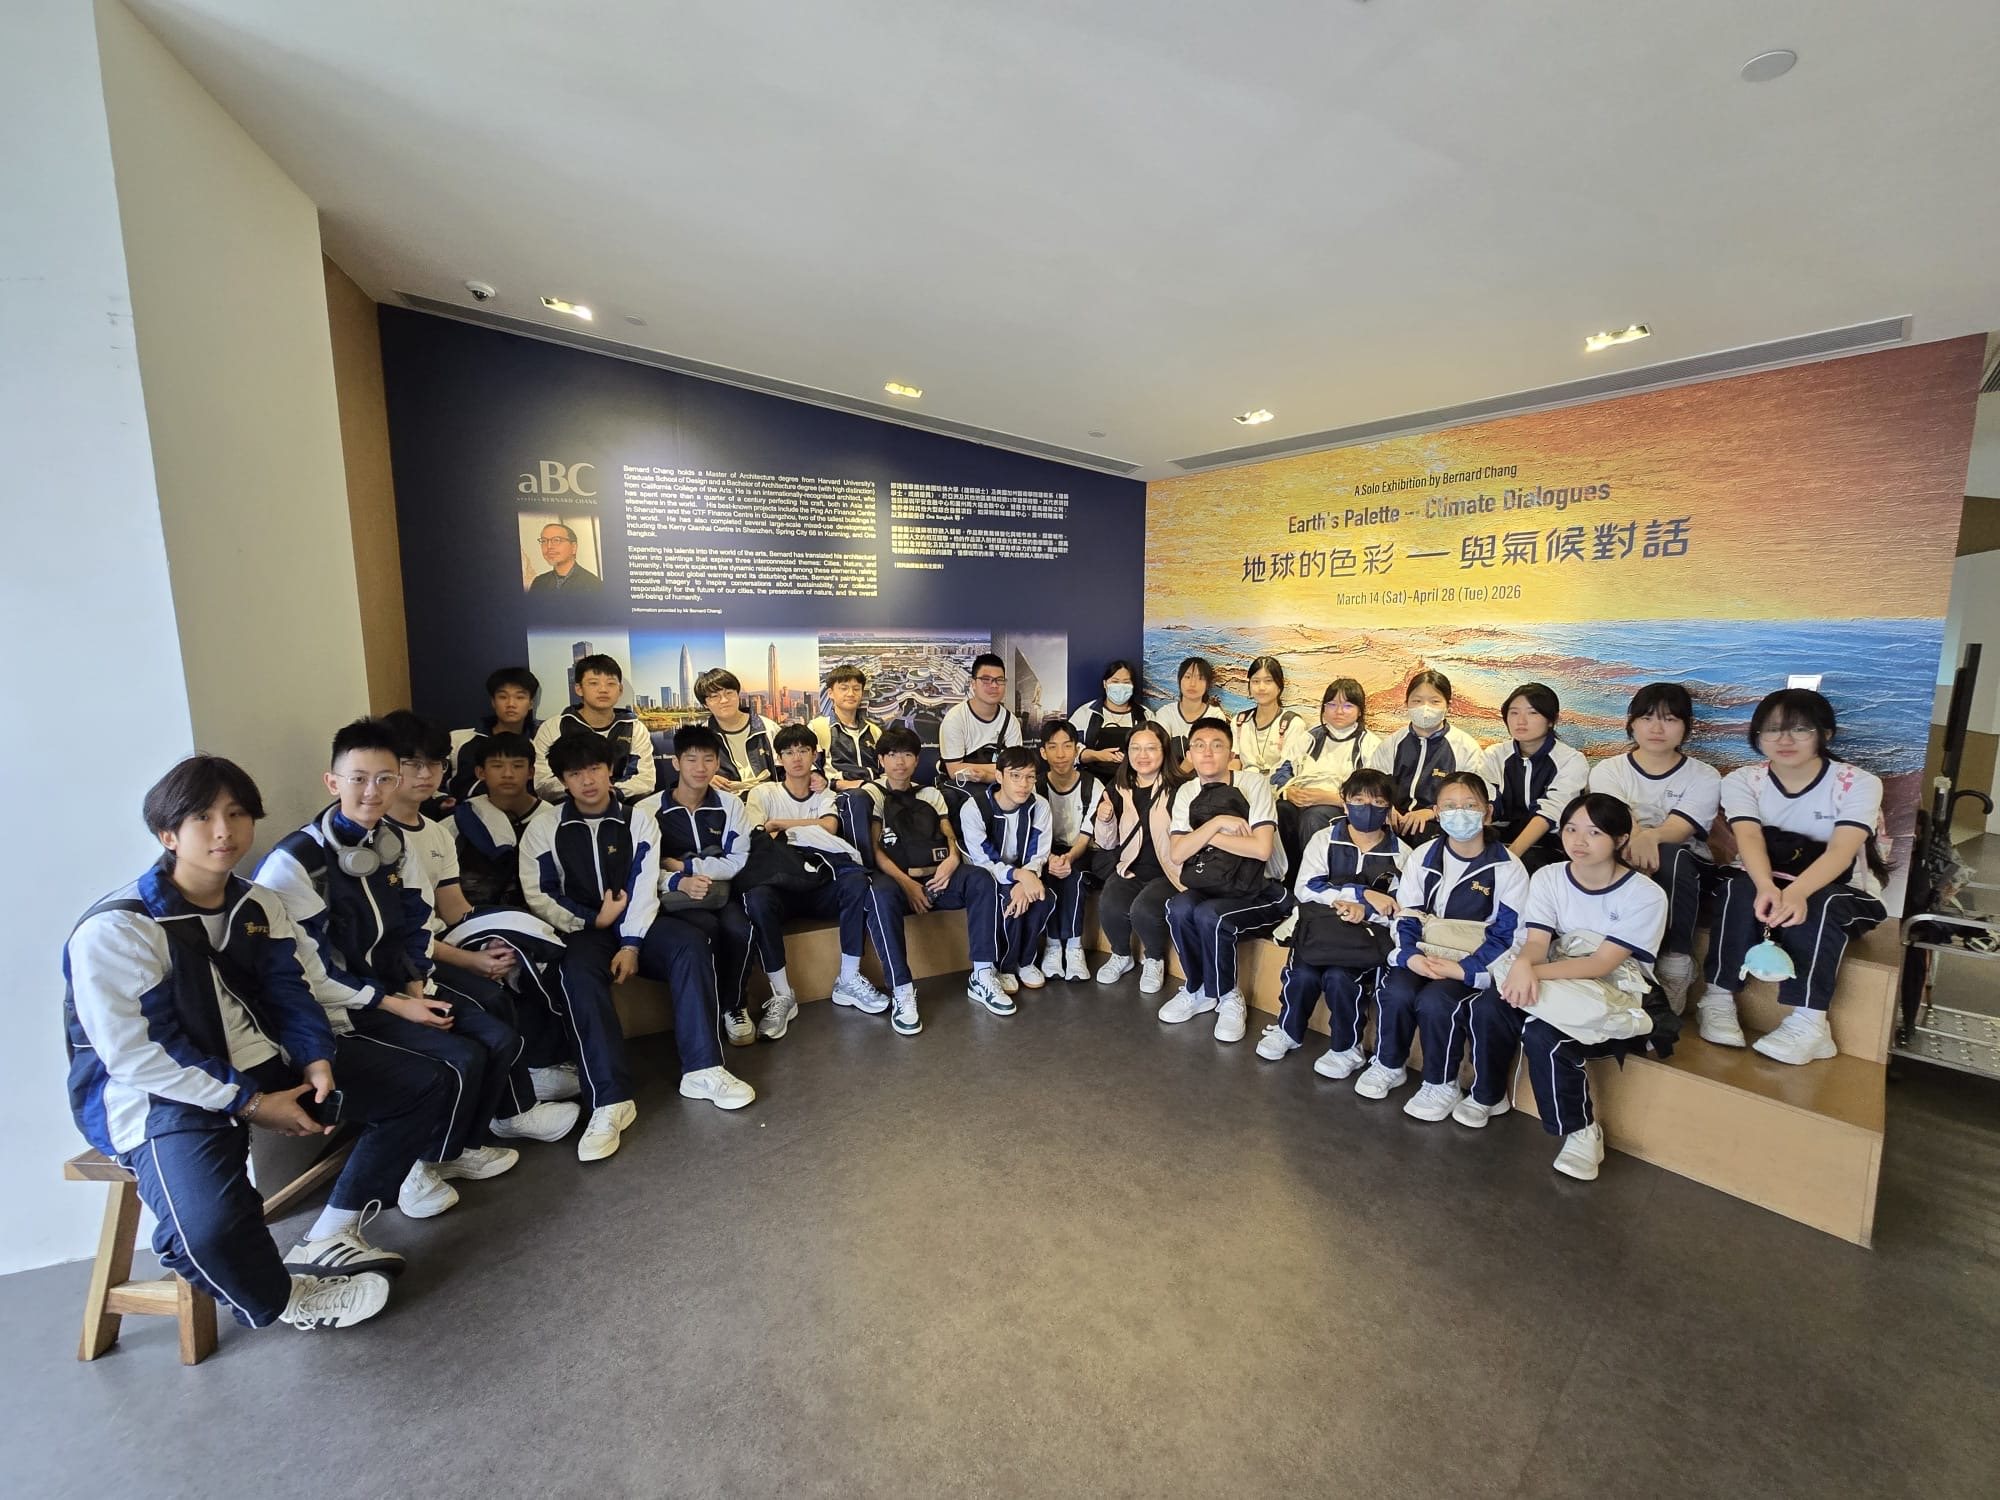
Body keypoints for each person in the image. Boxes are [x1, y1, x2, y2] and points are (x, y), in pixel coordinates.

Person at [62, 756, 455, 1331]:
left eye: (237, 813)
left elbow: (289, 991)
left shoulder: (256, 903)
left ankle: (333, 1231)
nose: (224, 830)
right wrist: (248, 1103)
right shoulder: (118, 930)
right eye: (202, 817)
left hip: (265, 1064)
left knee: (424, 1084)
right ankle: (286, 1299)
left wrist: (317, 1059)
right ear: (167, 834)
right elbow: (138, 1056)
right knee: (207, 1231)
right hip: (163, 1095)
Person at [257, 719, 549, 1218]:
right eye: (358, 778)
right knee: (458, 1059)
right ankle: (415, 1164)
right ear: (332, 782)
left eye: (384, 779)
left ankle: (451, 1150)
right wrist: (399, 1006)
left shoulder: (393, 842)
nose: (372, 791)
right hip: (342, 1008)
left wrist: (417, 987)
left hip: (399, 989)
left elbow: (416, 923)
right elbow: (311, 971)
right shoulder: (297, 863)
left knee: (497, 1038)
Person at [1473, 793, 1672, 1179]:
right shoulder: (1549, 876)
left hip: (1615, 992)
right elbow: (1536, 942)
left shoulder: (1645, 894)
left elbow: (1602, 964)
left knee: (1544, 1034)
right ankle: (1488, 1095)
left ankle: (1581, 1130)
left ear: (1620, 839)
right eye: (1570, 829)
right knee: (1489, 1005)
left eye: (1594, 832)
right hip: (1557, 974)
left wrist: (1530, 973)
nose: (1579, 841)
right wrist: (1525, 965)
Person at [517, 731, 692, 1157]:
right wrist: (592, 919)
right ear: (563, 780)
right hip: (583, 931)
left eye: (594, 769)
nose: (588, 780)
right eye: (575, 773)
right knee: (575, 974)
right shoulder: (544, 827)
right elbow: (540, 893)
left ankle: (703, 1067)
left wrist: (630, 943)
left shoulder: (637, 819)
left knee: (689, 944)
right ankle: (611, 1100)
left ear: (610, 770)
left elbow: (644, 884)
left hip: (637, 925)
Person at [1691, 688, 1889, 1064]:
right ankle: (1717, 999)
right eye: (1772, 730)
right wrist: (1767, 885)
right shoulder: (1743, 781)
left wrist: (1796, 892)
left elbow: (1841, 851)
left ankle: (1811, 1024)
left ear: (1825, 734)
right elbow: (1749, 838)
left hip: (1842, 889)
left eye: (1799, 729)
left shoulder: (1858, 783)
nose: (1784, 740)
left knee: (1820, 900)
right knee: (1737, 888)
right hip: (1766, 877)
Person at [1353, 771, 1528, 1117]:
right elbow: (1407, 913)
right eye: (1449, 806)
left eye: (1469, 806)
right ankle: (1389, 1063)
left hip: (1474, 960)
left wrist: (1465, 970)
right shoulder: (1424, 855)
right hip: (1426, 950)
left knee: (1437, 1001)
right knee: (1396, 989)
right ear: (1436, 812)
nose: (1459, 813)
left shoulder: (1508, 868)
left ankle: (1441, 1083)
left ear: (1487, 813)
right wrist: (1410, 956)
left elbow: (1510, 934)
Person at [450, 729, 582, 1103]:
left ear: (531, 770)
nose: (507, 774)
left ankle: (548, 1063)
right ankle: (524, 1072)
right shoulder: (459, 822)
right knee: (501, 967)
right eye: (497, 765)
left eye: (517, 765)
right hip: (474, 924)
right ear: (480, 772)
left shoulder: (553, 819)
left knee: (550, 963)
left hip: (542, 920)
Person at [846, 725, 1004, 1034]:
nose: (900, 762)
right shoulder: (872, 794)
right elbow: (875, 850)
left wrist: (953, 860)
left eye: (907, 755)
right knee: (878, 893)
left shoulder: (930, 793)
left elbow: (949, 836)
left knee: (981, 879)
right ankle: (902, 989)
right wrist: (908, 885)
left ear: (917, 760)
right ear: (881, 760)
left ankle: (983, 974)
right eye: (892, 755)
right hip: (898, 883)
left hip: (937, 880)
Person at [630, 724, 763, 1087]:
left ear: (718, 763)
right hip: (675, 900)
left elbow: (737, 859)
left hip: (720, 892)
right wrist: (677, 880)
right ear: (676, 763)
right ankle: (707, 1017)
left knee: (741, 929)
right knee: (705, 932)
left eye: (708, 759)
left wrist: (687, 866)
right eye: (691, 759)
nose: (700, 767)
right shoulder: (647, 809)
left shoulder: (730, 805)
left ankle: (734, 1005)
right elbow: (642, 868)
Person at [741, 723, 893, 1038]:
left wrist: (780, 824)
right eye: (788, 752)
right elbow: (758, 834)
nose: (796, 758)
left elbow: (829, 827)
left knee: (855, 882)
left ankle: (848, 979)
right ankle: (782, 994)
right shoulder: (763, 793)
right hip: (782, 886)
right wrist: (803, 827)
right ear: (779, 758)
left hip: (820, 884)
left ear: (815, 755)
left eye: (803, 751)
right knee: (756, 898)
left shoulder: (823, 792)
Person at [1258, 768, 1409, 1067]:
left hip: (1365, 935)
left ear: (1389, 808)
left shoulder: (1402, 854)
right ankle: (1288, 1029)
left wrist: (1365, 911)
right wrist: (1361, 896)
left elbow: (1399, 908)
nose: (1368, 808)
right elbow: (1305, 888)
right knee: (1302, 973)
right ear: (1345, 802)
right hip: (1321, 925)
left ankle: (1347, 1047)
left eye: (1378, 803)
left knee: (1341, 978)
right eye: (1359, 800)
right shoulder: (1324, 839)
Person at [1157, 717, 1293, 1044]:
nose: (1207, 753)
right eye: (1199, 746)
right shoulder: (1187, 791)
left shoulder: (1253, 784)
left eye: (1216, 745)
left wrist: (1203, 836)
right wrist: (1217, 822)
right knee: (1178, 907)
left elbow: (1260, 849)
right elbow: (1178, 852)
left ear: (1230, 752)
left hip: (1261, 889)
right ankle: (1197, 989)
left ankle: (1228, 995)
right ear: (1189, 754)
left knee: (1210, 916)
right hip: (1211, 883)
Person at [1587, 682, 1722, 1012]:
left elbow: (1678, 830)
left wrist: (1649, 838)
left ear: (1686, 727)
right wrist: (1638, 838)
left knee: (1669, 855)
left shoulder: (1704, 776)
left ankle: (1676, 963)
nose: (1657, 728)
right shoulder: (1609, 770)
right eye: (1647, 718)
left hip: (1688, 867)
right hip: (1621, 850)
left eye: (1670, 719)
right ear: (1632, 723)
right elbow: (1617, 822)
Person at [1091, 721, 1186, 994]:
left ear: (1164, 751)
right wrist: (1104, 820)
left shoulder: (1181, 788)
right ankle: (1121, 954)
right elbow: (1106, 843)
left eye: (1151, 748)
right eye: (1135, 748)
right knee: (1110, 902)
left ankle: (1154, 959)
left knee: (1144, 909)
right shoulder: (1118, 786)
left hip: (1170, 870)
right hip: (1131, 867)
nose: (1142, 755)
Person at [958, 745, 1056, 994]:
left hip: (1025, 871)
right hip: (988, 875)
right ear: (999, 776)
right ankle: (1005, 966)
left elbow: (1039, 852)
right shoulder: (974, 808)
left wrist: (1027, 878)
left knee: (1042, 898)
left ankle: (1026, 961)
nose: (1023, 784)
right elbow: (983, 859)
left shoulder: (1039, 806)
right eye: (1015, 776)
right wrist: (1018, 876)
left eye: (1030, 777)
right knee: (1008, 902)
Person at [1477, 682, 1589, 870]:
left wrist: (1509, 858)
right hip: (1499, 837)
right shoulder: (1494, 755)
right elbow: (1485, 802)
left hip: (1548, 845)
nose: (1521, 721)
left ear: (1552, 720)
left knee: (1530, 863)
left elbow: (1550, 813)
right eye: (1514, 713)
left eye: (1532, 713)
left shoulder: (1571, 760)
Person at [1276, 678, 1381, 872]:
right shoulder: (1309, 738)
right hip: (1301, 801)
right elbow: (1281, 770)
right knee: (1281, 810)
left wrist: (1331, 798)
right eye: (1332, 704)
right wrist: (1287, 792)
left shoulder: (1369, 744)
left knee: (1314, 816)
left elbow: (1373, 792)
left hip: (1340, 807)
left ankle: (1314, 875)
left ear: (1360, 710)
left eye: (1347, 706)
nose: (1339, 711)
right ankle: (1284, 876)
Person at [1368, 669, 1486, 841]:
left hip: (1437, 822)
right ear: (1406, 703)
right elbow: (1373, 784)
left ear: (1448, 706)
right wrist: (1385, 808)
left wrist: (1431, 812)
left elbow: (1471, 798)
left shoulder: (1465, 747)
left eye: (1434, 701)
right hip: (1392, 819)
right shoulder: (1392, 743)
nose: (1425, 708)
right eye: (1417, 701)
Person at [531, 653, 655, 804]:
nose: (603, 690)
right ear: (579, 689)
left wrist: (612, 792)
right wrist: (585, 791)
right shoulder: (554, 727)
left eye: (610, 683)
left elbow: (646, 780)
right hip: (567, 810)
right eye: (594, 683)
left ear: (620, 690)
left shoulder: (634, 727)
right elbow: (543, 782)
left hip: (622, 808)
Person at [1035, 720, 1097, 981]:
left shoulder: (1092, 785)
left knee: (1074, 876)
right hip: (1044, 850)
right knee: (1048, 876)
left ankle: (1074, 947)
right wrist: (1050, 858)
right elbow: (1033, 834)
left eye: (1067, 746)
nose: (1060, 754)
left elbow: (1086, 835)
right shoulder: (1035, 786)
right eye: (1053, 747)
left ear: (1076, 749)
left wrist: (1069, 858)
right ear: (1043, 752)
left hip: (1080, 849)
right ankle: (1052, 946)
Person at [447, 666, 541, 804]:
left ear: (531, 703)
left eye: (520, 697)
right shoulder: (459, 740)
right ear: (493, 701)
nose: (511, 704)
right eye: (503, 697)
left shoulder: (539, 746)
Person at [938, 652, 1022, 794]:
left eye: (999, 680)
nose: (994, 685)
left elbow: (1017, 768)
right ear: (973, 684)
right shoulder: (955, 719)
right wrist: (1000, 768)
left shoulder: (1011, 721)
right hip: (964, 791)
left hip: (999, 790)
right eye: (986, 680)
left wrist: (986, 776)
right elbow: (954, 771)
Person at [695, 666, 779, 794]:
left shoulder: (767, 727)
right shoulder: (699, 737)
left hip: (769, 799)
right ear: (705, 704)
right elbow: (690, 776)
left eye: (729, 693)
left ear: (738, 694)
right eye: (715, 696)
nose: (724, 700)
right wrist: (706, 779)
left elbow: (788, 767)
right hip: (726, 802)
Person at [809, 663, 882, 791]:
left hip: (874, 794)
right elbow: (809, 771)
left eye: (856, 689)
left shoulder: (874, 731)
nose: (851, 694)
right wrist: (837, 784)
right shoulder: (818, 728)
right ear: (830, 693)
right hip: (834, 795)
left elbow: (885, 770)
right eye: (844, 688)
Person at [1069, 659, 1152, 770]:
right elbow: (1070, 748)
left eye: (1126, 682)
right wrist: (1097, 755)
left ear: (1133, 685)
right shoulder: (1085, 712)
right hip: (1094, 777)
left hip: (1134, 776)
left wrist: (1132, 759)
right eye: (1115, 681)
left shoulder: (1145, 715)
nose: (1120, 687)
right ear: (1105, 684)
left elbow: (1156, 749)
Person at [1231, 655, 1304, 779]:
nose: (1261, 687)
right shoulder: (1239, 722)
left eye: (1268, 681)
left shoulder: (1293, 724)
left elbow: (1289, 770)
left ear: (1279, 685)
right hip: (1244, 786)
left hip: (1277, 787)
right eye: (1255, 681)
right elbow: (1235, 762)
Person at [1152, 655, 1220, 769]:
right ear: (1179, 681)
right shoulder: (1165, 713)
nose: (1193, 684)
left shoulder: (1214, 716)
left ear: (1208, 684)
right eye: (1187, 677)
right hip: (1168, 775)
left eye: (1200, 678)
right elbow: (1157, 750)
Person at [527, 520, 601, 592]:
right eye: (544, 541)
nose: (549, 546)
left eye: (556, 540)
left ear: (573, 547)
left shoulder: (593, 584)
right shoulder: (539, 583)